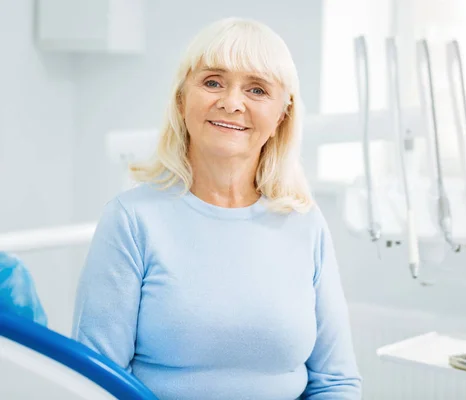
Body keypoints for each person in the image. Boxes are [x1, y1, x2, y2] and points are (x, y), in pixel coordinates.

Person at [71, 17, 362, 400]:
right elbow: (96, 382)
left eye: (257, 89)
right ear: (181, 98)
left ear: (281, 116)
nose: (231, 102)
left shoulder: (304, 223)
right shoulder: (131, 221)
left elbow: (336, 382)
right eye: (212, 82)